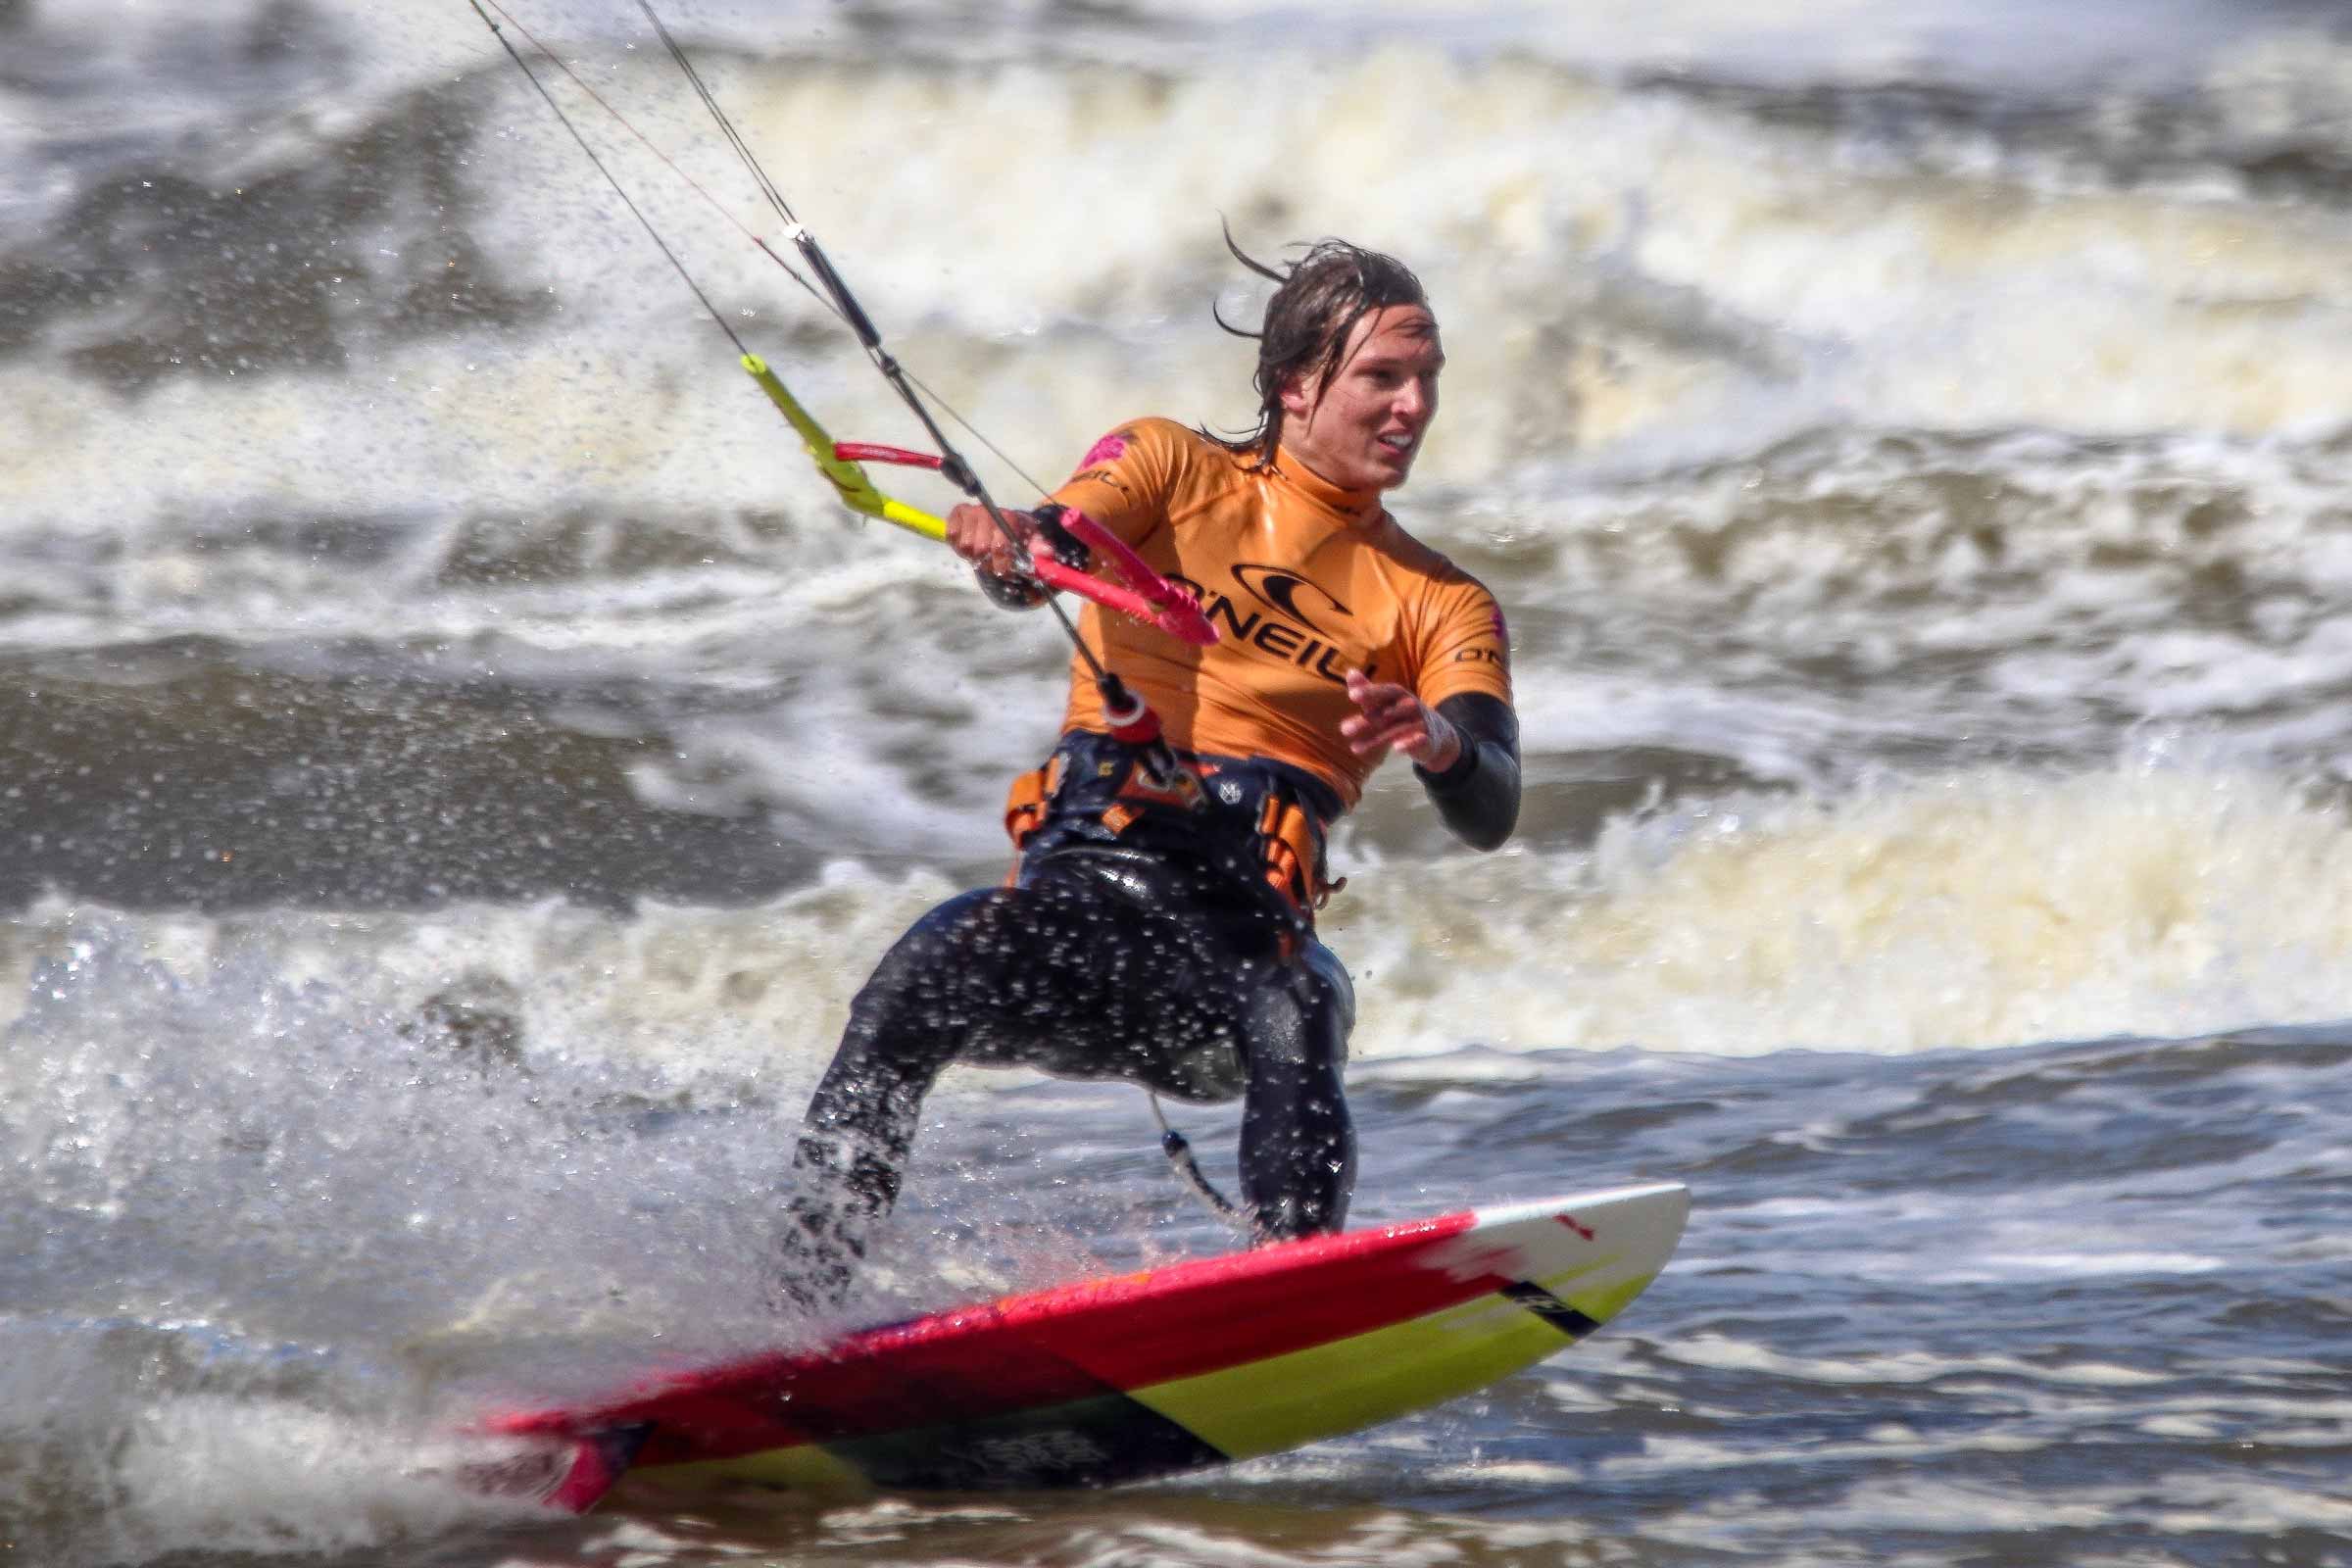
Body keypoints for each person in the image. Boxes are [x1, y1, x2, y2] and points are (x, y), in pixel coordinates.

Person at [779, 236, 1520, 1306]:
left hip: (1227, 963)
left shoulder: (1438, 600)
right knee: (926, 962)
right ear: (1298, 386)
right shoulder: (1172, 467)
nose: (1413, 406)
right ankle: (795, 1309)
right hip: (1082, 927)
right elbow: (1061, 543)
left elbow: (1492, 800)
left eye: (1426, 382)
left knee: (1301, 998)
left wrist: (1441, 743)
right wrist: (1014, 541)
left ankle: (1284, 1307)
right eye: (1383, 377)